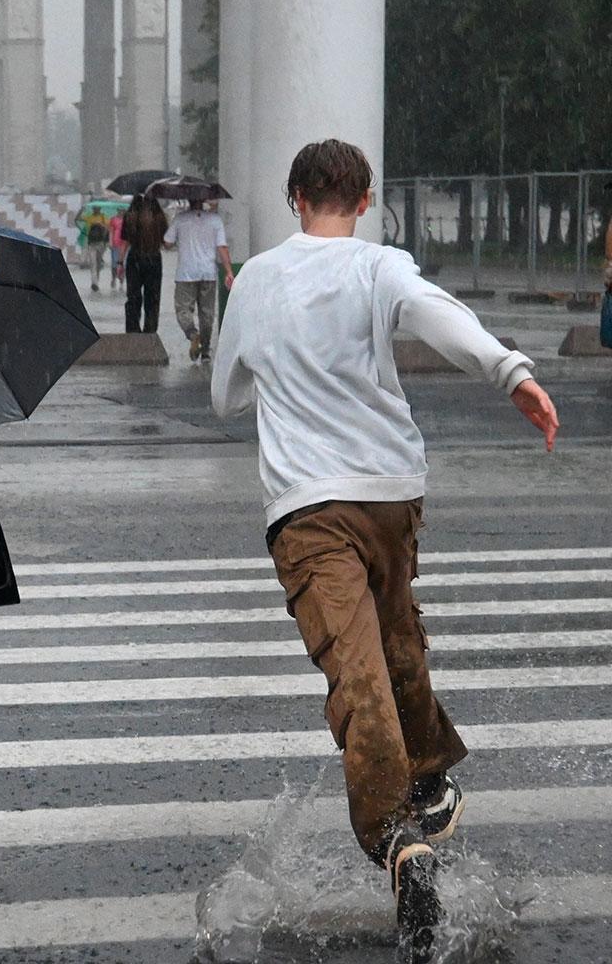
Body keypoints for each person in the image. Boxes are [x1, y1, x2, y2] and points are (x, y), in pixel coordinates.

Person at [211, 139, 561, 962]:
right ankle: (431, 775)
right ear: (363, 200)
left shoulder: (257, 279)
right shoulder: (380, 265)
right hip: (391, 492)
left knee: (359, 671)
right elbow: (439, 314)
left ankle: (399, 839)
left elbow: (226, 396)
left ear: (295, 196)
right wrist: (512, 373)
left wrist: (281, 363)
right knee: (398, 643)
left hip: (308, 507)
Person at [165, 197, 233, 361]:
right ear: (203, 201)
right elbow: (222, 247)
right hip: (208, 273)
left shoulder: (180, 219)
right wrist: (229, 271)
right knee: (207, 313)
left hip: (185, 273)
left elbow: (167, 243)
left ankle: (193, 334)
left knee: (183, 309)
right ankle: (206, 352)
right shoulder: (215, 220)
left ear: (188, 201)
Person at [121, 195, 165, 334]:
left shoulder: (130, 216)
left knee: (133, 297)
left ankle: (133, 330)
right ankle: (150, 331)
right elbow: (166, 242)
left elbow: (125, 242)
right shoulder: (159, 217)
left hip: (135, 258)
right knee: (152, 297)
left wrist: (119, 262)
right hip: (154, 258)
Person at [109, 208, 128, 290]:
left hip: (125, 244)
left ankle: (121, 280)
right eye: (119, 210)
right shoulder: (113, 219)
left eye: (122, 210)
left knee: (123, 263)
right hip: (115, 244)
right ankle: (113, 278)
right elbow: (111, 231)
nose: (121, 212)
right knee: (114, 263)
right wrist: (110, 242)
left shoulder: (127, 220)